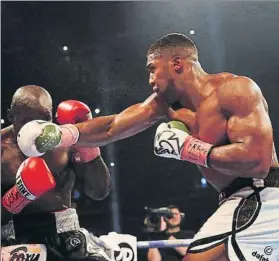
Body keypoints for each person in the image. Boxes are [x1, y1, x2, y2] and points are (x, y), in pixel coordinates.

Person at [17, 33, 279, 260]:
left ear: (177, 63)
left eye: (153, 68)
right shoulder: (164, 105)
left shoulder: (235, 90)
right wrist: (63, 134)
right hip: (237, 200)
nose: (150, 78)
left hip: (263, 196)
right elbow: (113, 126)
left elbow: (258, 161)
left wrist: (189, 148)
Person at [1, 85, 112, 261]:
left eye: (44, 119)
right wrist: (19, 194)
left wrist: (87, 146)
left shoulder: (65, 139)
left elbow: (99, 192)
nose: (37, 128)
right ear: (11, 116)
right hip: (16, 238)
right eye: (28, 120)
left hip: (67, 233)